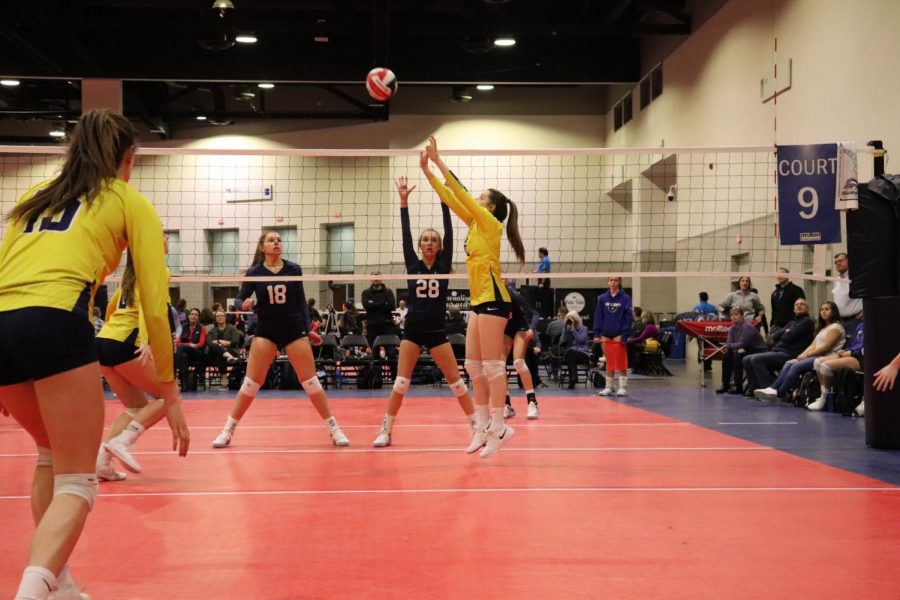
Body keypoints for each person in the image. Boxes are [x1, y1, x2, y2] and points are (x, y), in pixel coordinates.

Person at [0, 109, 188, 600]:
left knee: (50, 453)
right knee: (79, 482)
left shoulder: (32, 198)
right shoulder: (127, 198)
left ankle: (59, 586)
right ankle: (31, 594)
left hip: (2, 328)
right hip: (56, 322)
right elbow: (154, 297)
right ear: (128, 158)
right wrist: (169, 390)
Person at [423, 135, 526, 458]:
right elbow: (452, 199)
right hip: (479, 300)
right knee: (473, 365)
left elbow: (461, 194)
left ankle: (500, 427)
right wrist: (427, 173)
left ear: (491, 206)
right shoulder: (474, 225)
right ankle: (481, 426)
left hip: (496, 299)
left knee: (494, 366)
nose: (476, 200)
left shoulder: (491, 223)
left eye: (482, 197)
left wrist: (439, 161)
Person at [212, 231, 349, 448]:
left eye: (279, 240)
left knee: (311, 382)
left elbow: (301, 303)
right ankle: (227, 430)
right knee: (250, 384)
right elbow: (238, 299)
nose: (276, 242)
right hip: (267, 330)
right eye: (271, 240)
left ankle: (334, 429)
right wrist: (242, 305)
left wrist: (308, 330)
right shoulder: (255, 272)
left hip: (294, 329)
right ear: (262, 247)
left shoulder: (293, 269)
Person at [372, 176, 476, 447]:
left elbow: (450, 232)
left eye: (434, 240)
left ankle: (477, 426)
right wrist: (403, 202)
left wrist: (445, 202)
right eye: (425, 240)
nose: (429, 243)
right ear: (420, 246)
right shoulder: (412, 264)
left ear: (440, 247)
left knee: (456, 383)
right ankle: (386, 429)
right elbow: (406, 234)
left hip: (438, 333)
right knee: (401, 383)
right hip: (413, 332)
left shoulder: (443, 267)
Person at [95, 248, 190, 480]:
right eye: (160, 234)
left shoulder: (129, 276)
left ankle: (101, 463)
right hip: (127, 343)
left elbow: (111, 308)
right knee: (169, 396)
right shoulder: (160, 270)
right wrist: (146, 340)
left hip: (103, 343)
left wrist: (111, 332)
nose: (165, 238)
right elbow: (150, 307)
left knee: (136, 408)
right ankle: (123, 442)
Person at [755, 302, 844, 402]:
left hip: (827, 357)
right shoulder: (823, 328)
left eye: (827, 309)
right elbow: (813, 345)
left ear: (834, 312)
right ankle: (773, 389)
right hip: (816, 356)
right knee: (789, 363)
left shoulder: (836, 327)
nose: (823, 312)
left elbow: (825, 348)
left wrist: (806, 355)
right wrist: (800, 356)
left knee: (796, 366)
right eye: (822, 309)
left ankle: (779, 394)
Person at [743, 298, 815, 396]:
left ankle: (769, 390)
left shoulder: (807, 322)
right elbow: (774, 336)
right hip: (778, 351)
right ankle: (754, 389)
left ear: (807, 309)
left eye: (802, 304)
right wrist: (785, 333)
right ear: (793, 309)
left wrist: (785, 333)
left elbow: (789, 336)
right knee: (746, 359)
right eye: (796, 304)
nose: (798, 306)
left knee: (756, 359)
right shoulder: (792, 322)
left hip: (790, 354)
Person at [502, 282, 540, 419]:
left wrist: (532, 328)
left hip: (520, 328)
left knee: (518, 362)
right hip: (505, 331)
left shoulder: (513, 295)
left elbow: (535, 314)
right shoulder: (490, 297)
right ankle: (507, 405)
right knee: (499, 366)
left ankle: (532, 403)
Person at [809, 316, 864, 412]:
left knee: (825, 367)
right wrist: (846, 350)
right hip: (852, 353)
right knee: (817, 362)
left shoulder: (875, 326)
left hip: (862, 358)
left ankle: (826, 398)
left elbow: (866, 348)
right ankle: (823, 396)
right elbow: (855, 344)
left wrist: (851, 353)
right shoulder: (860, 326)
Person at [593, 277, 633, 396]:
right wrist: (596, 333)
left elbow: (628, 317)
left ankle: (623, 387)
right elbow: (598, 316)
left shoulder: (625, 298)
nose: (613, 282)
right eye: (611, 280)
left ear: (619, 282)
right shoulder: (602, 298)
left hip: (618, 333)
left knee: (620, 360)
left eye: (616, 280)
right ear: (608, 282)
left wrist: (625, 335)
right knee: (609, 360)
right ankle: (609, 387)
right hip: (605, 333)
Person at [715, 307, 766, 394]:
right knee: (727, 356)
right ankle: (725, 384)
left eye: (736, 314)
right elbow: (729, 343)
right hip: (743, 349)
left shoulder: (747, 327)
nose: (733, 317)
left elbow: (742, 343)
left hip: (757, 350)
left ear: (742, 316)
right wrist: (733, 346)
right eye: (731, 315)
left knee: (737, 356)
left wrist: (732, 346)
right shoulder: (732, 328)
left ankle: (738, 385)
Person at [206, 308, 242, 389]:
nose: (220, 317)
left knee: (221, 355)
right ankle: (228, 356)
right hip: (214, 354)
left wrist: (225, 343)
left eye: (222, 315)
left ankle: (224, 382)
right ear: (215, 319)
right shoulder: (212, 330)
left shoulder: (232, 328)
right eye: (218, 316)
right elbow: (209, 342)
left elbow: (235, 340)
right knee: (216, 348)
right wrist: (222, 343)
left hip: (231, 351)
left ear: (225, 317)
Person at [174, 307, 207, 390]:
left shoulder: (202, 328)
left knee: (180, 348)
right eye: (192, 314)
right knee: (183, 356)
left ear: (198, 317)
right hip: (184, 352)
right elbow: (177, 342)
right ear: (188, 316)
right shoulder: (182, 327)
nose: (194, 316)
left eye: (196, 315)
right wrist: (189, 344)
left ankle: (173, 370)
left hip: (197, 353)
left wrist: (194, 346)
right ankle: (184, 385)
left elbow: (201, 344)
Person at [361, 272, 396, 347]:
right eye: (374, 277)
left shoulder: (388, 291)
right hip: (372, 324)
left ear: (381, 279)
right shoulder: (365, 292)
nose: (376, 279)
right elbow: (366, 306)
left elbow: (392, 306)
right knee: (374, 350)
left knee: (390, 350)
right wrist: (383, 303)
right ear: (370, 279)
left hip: (387, 323)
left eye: (378, 277)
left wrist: (373, 305)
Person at [831, 253, 863, 333]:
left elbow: (870, 294)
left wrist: (867, 310)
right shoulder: (837, 279)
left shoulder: (857, 277)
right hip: (840, 321)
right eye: (836, 262)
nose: (838, 263)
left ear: (849, 261)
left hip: (856, 320)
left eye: (841, 261)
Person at [561, 311, 593, 390]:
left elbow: (580, 340)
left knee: (570, 354)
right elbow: (564, 341)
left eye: (571, 318)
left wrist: (573, 330)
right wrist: (565, 329)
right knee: (570, 353)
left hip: (582, 353)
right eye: (568, 318)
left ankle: (572, 379)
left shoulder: (584, 328)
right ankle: (574, 377)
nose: (570, 320)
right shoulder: (567, 329)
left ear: (576, 319)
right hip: (571, 353)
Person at [770, 268, 805, 332]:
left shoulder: (797, 290)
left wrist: (797, 324)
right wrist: (772, 325)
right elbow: (774, 311)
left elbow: (802, 309)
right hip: (777, 327)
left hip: (792, 326)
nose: (780, 276)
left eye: (782, 274)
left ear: (788, 275)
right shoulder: (774, 293)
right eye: (778, 274)